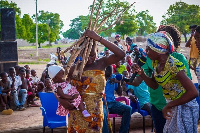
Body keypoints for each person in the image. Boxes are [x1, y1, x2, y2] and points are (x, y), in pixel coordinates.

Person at [58, 29, 125, 133]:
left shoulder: (102, 63)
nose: (89, 58)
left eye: (92, 55)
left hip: (95, 112)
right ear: (79, 53)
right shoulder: (73, 69)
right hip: (77, 112)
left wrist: (98, 38)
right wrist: (62, 101)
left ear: (97, 51)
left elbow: (121, 54)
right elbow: (58, 87)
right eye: (85, 55)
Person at [133, 31, 199, 133]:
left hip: (185, 107)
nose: (146, 51)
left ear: (158, 50)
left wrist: (169, 105)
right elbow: (154, 85)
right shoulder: (156, 64)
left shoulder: (174, 66)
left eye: (149, 49)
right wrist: (141, 73)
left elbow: (193, 92)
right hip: (172, 105)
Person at [103, 65, 132, 133]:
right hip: (102, 103)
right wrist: (107, 80)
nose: (109, 76)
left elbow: (119, 93)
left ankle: (123, 131)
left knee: (128, 109)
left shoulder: (113, 77)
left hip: (112, 103)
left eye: (110, 74)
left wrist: (119, 83)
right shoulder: (100, 77)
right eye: (107, 75)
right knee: (103, 113)